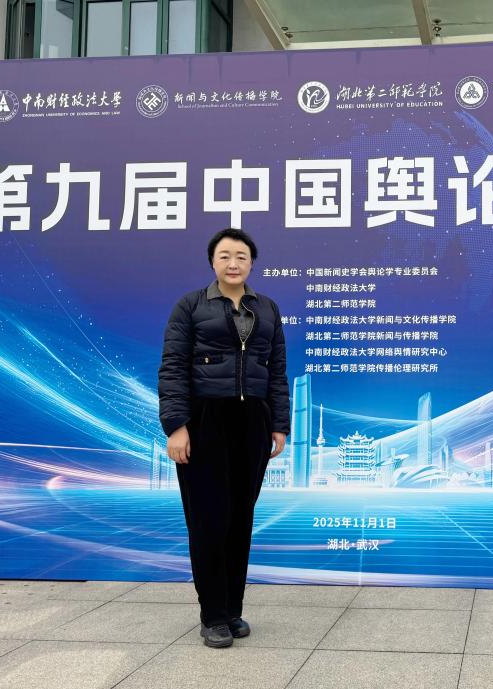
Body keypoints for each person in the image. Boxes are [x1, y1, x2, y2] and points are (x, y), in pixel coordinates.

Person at [157, 228, 290, 648]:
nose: (233, 263)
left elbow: (277, 371)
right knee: (208, 519)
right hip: (205, 419)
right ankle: (212, 614)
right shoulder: (191, 305)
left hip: (252, 420)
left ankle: (232, 610)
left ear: (252, 262)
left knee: (240, 519)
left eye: (241, 256)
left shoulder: (267, 308)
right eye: (225, 256)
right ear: (212, 261)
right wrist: (176, 426)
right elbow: (173, 366)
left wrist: (279, 424)